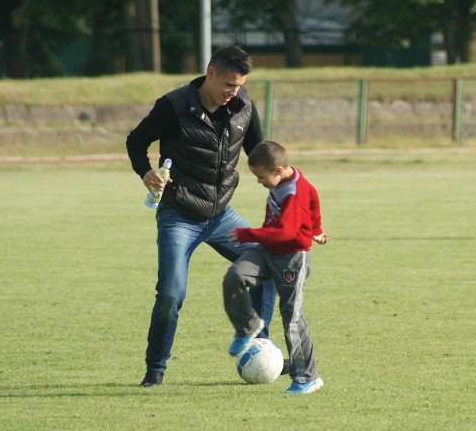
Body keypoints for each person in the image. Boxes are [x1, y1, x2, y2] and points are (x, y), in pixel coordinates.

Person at [126, 45, 277, 387]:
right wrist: (145, 172)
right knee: (170, 294)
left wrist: (288, 184)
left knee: (268, 264)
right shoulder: (173, 106)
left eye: (239, 86)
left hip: (222, 215)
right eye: (227, 84)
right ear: (210, 73)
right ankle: (156, 370)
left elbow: (259, 153)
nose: (232, 93)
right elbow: (136, 141)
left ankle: (258, 342)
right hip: (179, 215)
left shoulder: (244, 106)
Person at [223, 141, 329, 394]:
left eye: (261, 177)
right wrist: (316, 229)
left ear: (279, 169)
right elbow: (314, 200)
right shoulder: (292, 180)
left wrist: (248, 233)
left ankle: (307, 377)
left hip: (291, 258)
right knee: (235, 276)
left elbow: (286, 233)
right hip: (267, 250)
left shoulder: (293, 192)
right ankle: (248, 327)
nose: (260, 182)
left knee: (292, 318)